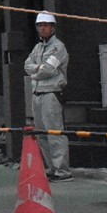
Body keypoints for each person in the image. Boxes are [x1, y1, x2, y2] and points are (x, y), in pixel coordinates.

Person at [24, 11, 72, 182]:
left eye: (45, 25)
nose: (42, 28)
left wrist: (36, 71)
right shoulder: (38, 48)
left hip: (51, 94)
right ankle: (52, 168)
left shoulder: (58, 47)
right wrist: (38, 69)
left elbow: (49, 70)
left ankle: (63, 171)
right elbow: (27, 65)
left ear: (53, 27)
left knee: (54, 133)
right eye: (40, 25)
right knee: (42, 133)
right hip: (37, 94)